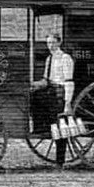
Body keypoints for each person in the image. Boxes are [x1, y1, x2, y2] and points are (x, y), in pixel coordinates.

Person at [31, 33, 75, 168]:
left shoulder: (65, 58)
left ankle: (60, 161)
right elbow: (46, 80)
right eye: (48, 43)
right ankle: (40, 127)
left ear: (59, 43)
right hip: (50, 91)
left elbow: (69, 82)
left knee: (59, 127)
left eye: (53, 43)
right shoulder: (49, 59)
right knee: (33, 97)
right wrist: (33, 85)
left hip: (60, 93)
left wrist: (67, 103)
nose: (50, 46)